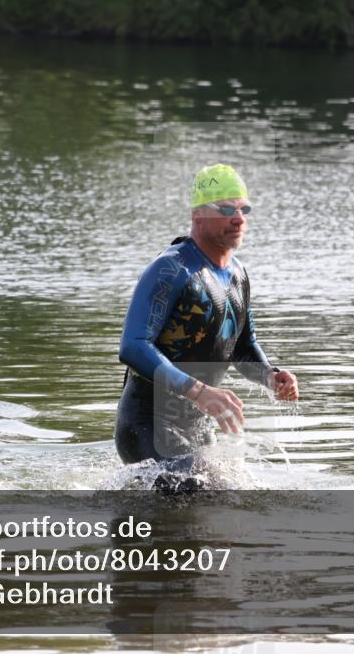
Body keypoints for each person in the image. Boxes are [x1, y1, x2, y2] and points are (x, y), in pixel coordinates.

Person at [115, 163, 298, 492]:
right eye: (226, 209)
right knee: (195, 494)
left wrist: (271, 376)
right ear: (198, 215)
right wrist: (199, 391)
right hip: (148, 423)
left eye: (244, 209)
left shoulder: (238, 274)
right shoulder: (171, 269)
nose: (238, 218)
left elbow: (242, 346)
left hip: (198, 427)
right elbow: (133, 346)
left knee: (225, 495)